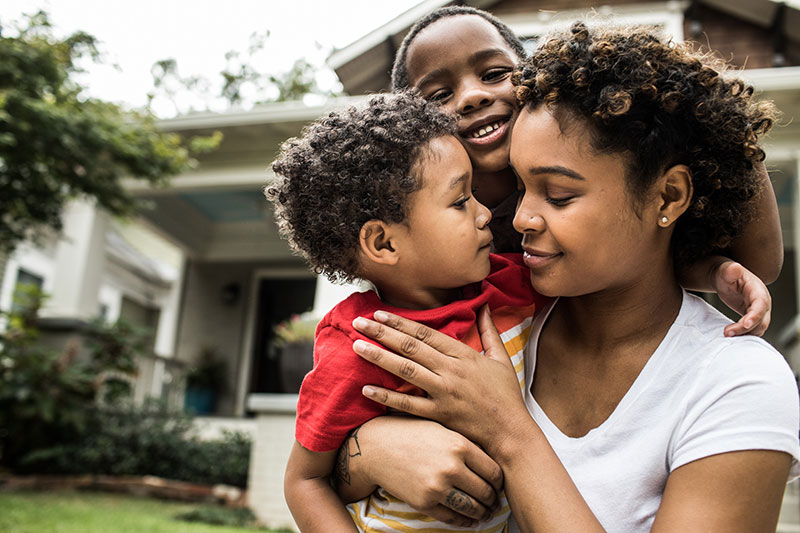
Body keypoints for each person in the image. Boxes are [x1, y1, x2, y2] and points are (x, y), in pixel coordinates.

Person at [332, 7, 787, 526]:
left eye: (560, 194)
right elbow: (331, 438)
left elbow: (755, 256)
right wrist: (373, 450)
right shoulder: (477, 293)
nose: (520, 218)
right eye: (438, 95)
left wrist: (709, 265)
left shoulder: (730, 382)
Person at [268, 92, 542, 532]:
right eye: (460, 201)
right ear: (383, 243)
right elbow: (305, 480)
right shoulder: (361, 345)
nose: (485, 213)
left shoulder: (507, 286)